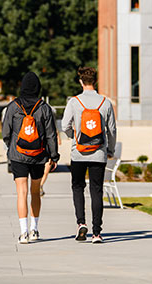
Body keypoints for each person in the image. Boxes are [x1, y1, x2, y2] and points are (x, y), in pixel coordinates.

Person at [2, 72, 59, 244]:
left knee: (21, 193)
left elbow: (6, 132)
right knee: (35, 192)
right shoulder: (44, 108)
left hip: (18, 155)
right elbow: (51, 135)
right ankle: (35, 229)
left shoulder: (13, 107)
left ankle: (23, 232)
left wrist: (11, 147)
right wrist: (53, 156)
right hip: (38, 156)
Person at [62, 66, 116, 244]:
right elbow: (112, 130)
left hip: (78, 153)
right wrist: (110, 150)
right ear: (96, 81)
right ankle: (97, 233)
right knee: (96, 191)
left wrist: (74, 137)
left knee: (78, 187)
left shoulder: (74, 102)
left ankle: (80, 223)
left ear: (80, 81)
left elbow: (65, 126)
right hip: (99, 153)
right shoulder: (105, 102)